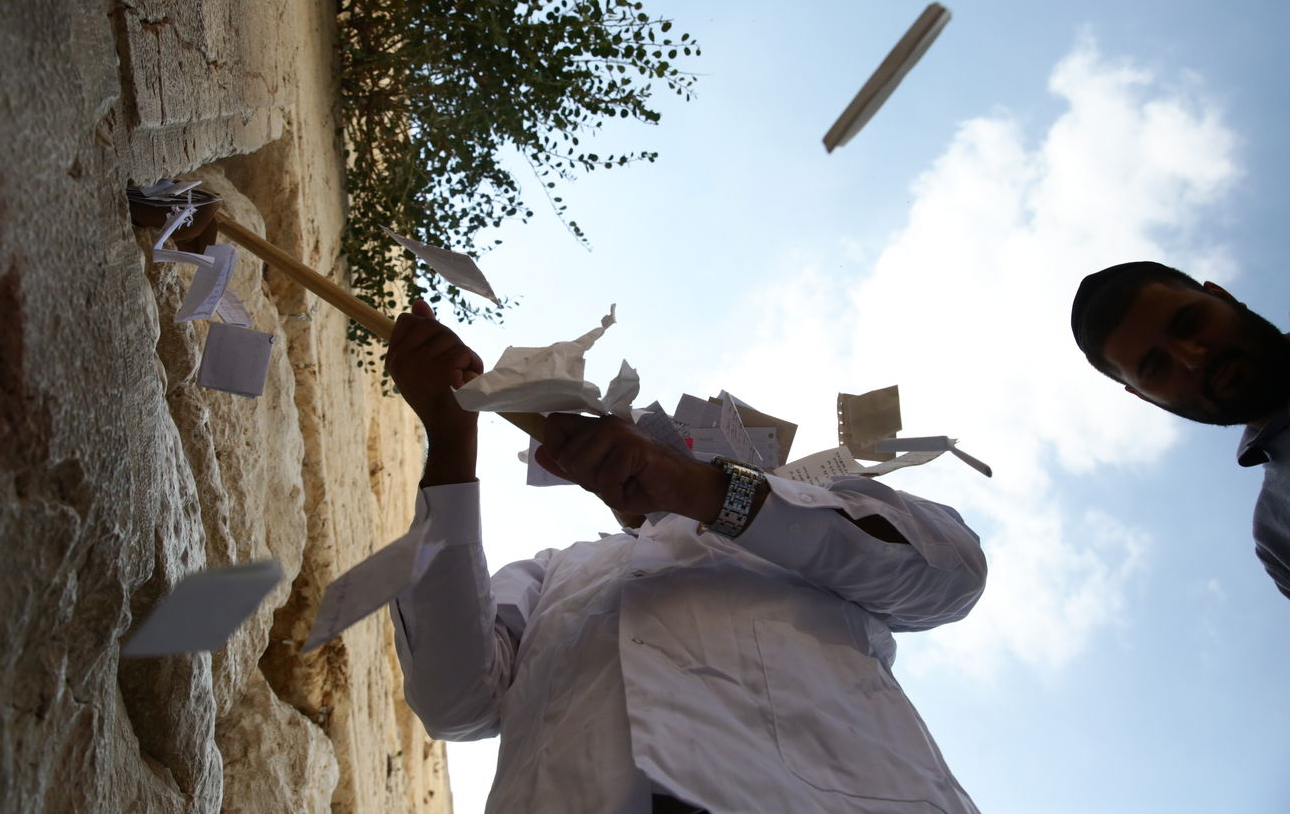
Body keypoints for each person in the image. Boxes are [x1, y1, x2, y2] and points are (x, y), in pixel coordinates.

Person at [385, 300, 987, 813]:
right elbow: (454, 702)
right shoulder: (556, 572)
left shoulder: (819, 519)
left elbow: (951, 576)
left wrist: (699, 488)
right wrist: (452, 441)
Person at [1071, 261, 1290, 597]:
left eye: (1189, 323)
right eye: (1156, 366)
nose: (1193, 358)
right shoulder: (1277, 534)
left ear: (1223, 296)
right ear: (1145, 397)